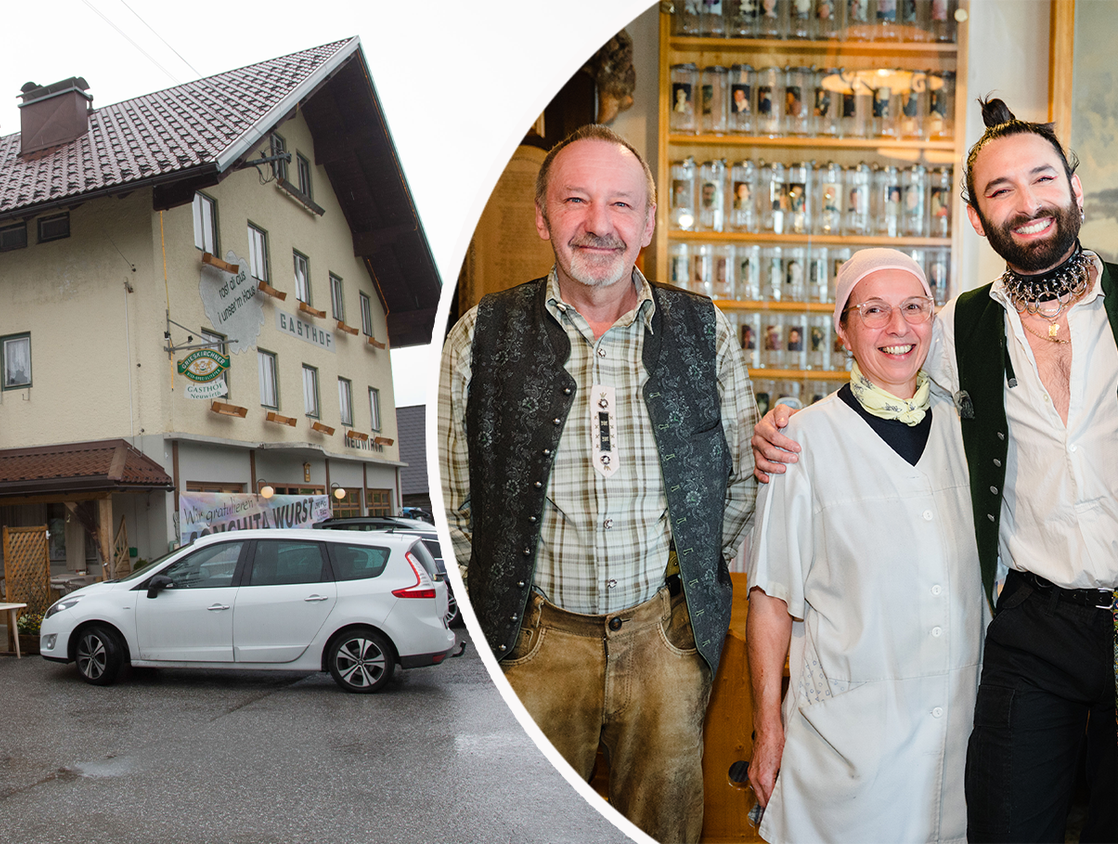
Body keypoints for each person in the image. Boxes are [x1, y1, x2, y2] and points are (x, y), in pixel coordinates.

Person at [752, 97, 1117, 843]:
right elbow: (886, 371)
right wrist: (781, 423)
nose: (1027, 204)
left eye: (1041, 179)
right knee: (1007, 823)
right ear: (979, 220)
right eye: (1000, 191)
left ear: (1075, 189)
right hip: (1031, 624)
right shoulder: (958, 328)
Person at [439, 124, 757, 843]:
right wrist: (503, 628)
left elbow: (736, 480)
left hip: (664, 645)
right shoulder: (479, 334)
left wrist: (686, 587)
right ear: (542, 217)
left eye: (621, 204)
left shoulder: (702, 329)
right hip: (534, 646)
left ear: (647, 221)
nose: (598, 224)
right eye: (576, 200)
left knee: (665, 829)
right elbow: (453, 504)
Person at [746, 248, 986, 843]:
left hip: (960, 739)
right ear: (844, 332)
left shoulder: (970, 430)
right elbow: (770, 600)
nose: (898, 328)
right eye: (873, 311)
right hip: (846, 747)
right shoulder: (801, 442)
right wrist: (767, 728)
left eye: (913, 307)